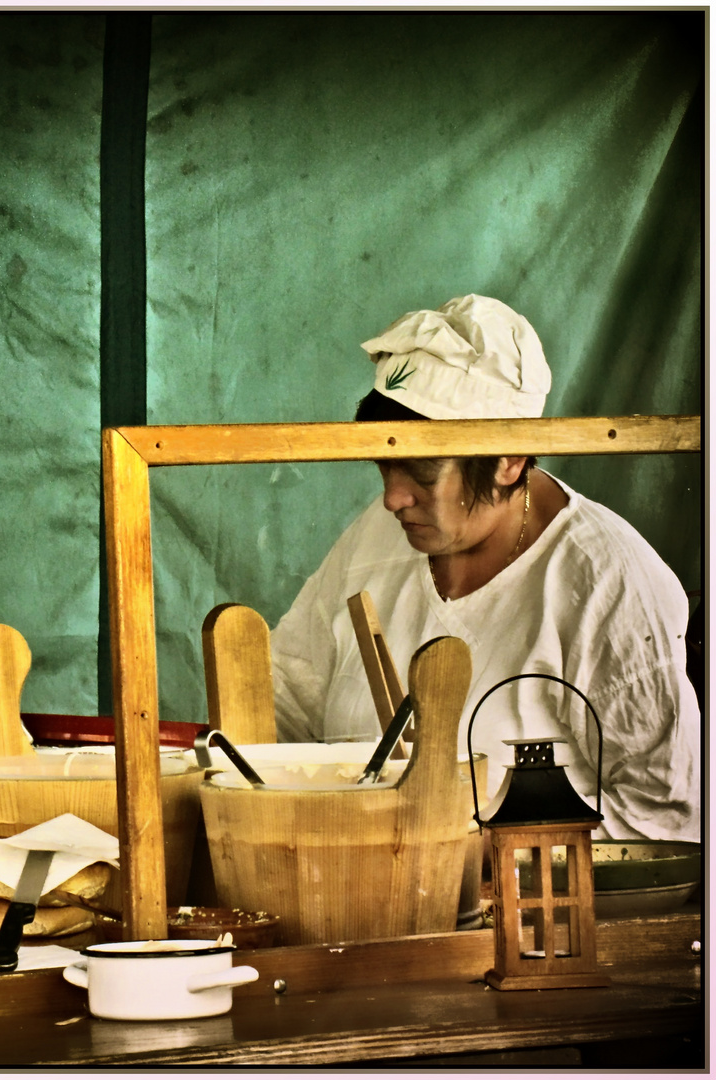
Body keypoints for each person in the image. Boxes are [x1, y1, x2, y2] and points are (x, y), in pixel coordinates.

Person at [269, 294, 699, 843]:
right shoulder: (377, 538)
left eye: (421, 474)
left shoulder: (607, 582)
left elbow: (664, 814)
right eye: (384, 464)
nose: (392, 498)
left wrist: (477, 863)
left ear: (509, 460)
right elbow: (288, 699)